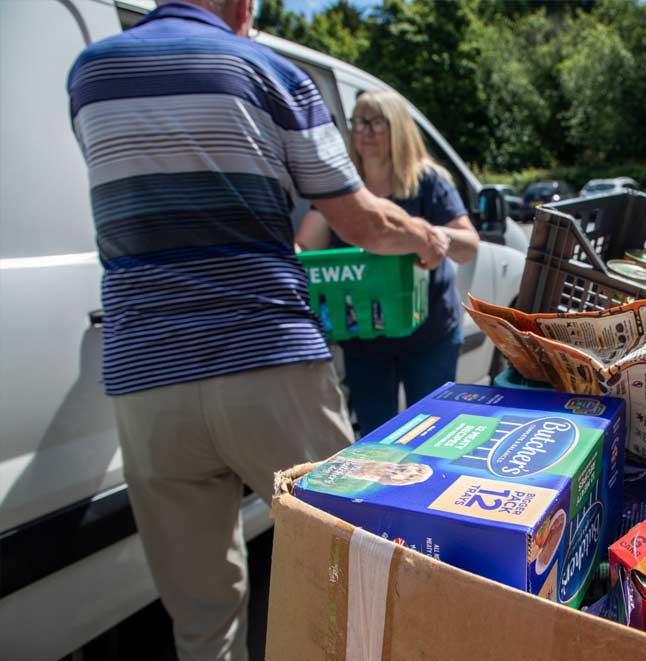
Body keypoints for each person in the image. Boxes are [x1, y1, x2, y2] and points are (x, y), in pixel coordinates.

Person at [66, 1, 449, 659]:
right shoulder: (269, 73)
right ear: (243, 7)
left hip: (146, 378)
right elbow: (362, 224)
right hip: (266, 358)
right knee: (345, 568)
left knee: (201, 619)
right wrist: (427, 238)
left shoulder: (89, 75)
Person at [296, 90, 480, 435]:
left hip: (429, 332)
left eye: (376, 122)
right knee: (376, 438)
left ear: (398, 128)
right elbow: (305, 246)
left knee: (433, 432)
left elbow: (469, 244)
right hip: (364, 335)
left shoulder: (428, 181)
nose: (365, 131)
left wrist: (433, 236)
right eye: (359, 122)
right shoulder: (341, 189)